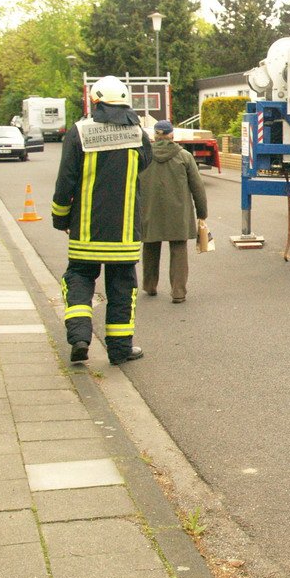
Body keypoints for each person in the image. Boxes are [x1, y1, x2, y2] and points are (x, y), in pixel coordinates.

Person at [51, 75, 151, 365]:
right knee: (121, 288)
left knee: (79, 278)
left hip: (86, 232)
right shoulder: (138, 134)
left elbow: (65, 183)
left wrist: (60, 219)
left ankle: (81, 337)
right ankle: (119, 351)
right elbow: (146, 163)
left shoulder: (79, 133)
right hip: (124, 234)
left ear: (94, 101)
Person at [140, 120, 208, 303]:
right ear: (172, 135)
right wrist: (202, 213)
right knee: (178, 249)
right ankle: (178, 291)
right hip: (178, 212)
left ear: (155, 135)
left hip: (149, 210)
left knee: (150, 245)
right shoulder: (184, 156)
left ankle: (149, 285)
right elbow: (197, 186)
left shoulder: (144, 156)